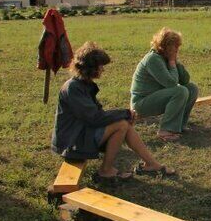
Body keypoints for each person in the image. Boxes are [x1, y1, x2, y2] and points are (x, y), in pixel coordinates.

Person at [52, 42, 176, 180]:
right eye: (101, 66)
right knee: (121, 124)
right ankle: (106, 171)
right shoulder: (74, 88)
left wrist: (125, 115)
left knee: (123, 124)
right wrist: (125, 114)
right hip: (71, 143)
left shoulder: (82, 84)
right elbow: (95, 118)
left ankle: (151, 164)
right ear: (91, 67)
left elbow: (96, 115)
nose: (102, 70)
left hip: (79, 134)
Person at [130, 27, 198, 142]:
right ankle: (166, 130)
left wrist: (176, 62)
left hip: (155, 96)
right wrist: (172, 62)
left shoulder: (165, 57)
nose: (177, 48)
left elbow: (185, 80)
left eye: (178, 46)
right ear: (165, 46)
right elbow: (171, 83)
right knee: (180, 91)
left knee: (192, 88)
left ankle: (179, 126)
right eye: (174, 46)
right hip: (141, 103)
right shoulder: (153, 59)